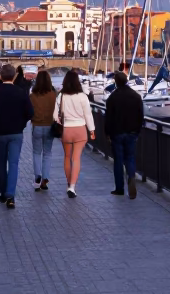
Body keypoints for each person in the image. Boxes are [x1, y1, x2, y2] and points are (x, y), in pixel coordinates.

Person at [0, 63, 33, 208]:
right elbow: (30, 112)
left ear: (1, 76)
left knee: (1, 163)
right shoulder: (21, 92)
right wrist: (21, 123)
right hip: (16, 132)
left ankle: (3, 193)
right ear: (14, 76)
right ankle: (11, 195)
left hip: (0, 133)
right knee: (14, 163)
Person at [54, 69, 95, 198]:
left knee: (67, 157)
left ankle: (68, 183)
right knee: (76, 158)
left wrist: (60, 123)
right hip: (80, 129)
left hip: (66, 129)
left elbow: (55, 115)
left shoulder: (61, 95)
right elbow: (88, 115)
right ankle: (72, 186)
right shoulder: (83, 96)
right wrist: (92, 130)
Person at [104, 71, 144, 199]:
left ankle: (119, 188)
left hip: (117, 133)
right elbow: (140, 116)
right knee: (130, 158)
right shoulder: (136, 96)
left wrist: (107, 133)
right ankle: (131, 177)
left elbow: (108, 118)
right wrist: (137, 131)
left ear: (116, 82)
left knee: (118, 161)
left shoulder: (112, 98)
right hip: (132, 132)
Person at [29, 70, 57, 192]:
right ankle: (45, 178)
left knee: (36, 152)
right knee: (47, 153)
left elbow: (29, 111)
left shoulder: (32, 96)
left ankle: (37, 177)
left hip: (37, 126)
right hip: (50, 126)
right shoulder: (53, 95)